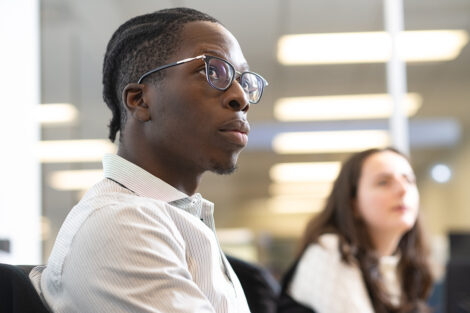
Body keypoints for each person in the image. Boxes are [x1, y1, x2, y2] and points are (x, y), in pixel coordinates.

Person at [29, 7, 268, 313]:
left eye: (243, 80)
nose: (242, 99)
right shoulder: (120, 224)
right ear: (140, 100)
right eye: (213, 71)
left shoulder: (177, 219)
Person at [277, 148, 434, 313]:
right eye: (384, 182)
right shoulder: (330, 250)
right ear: (353, 204)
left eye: (409, 180)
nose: (403, 190)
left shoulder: (404, 265)